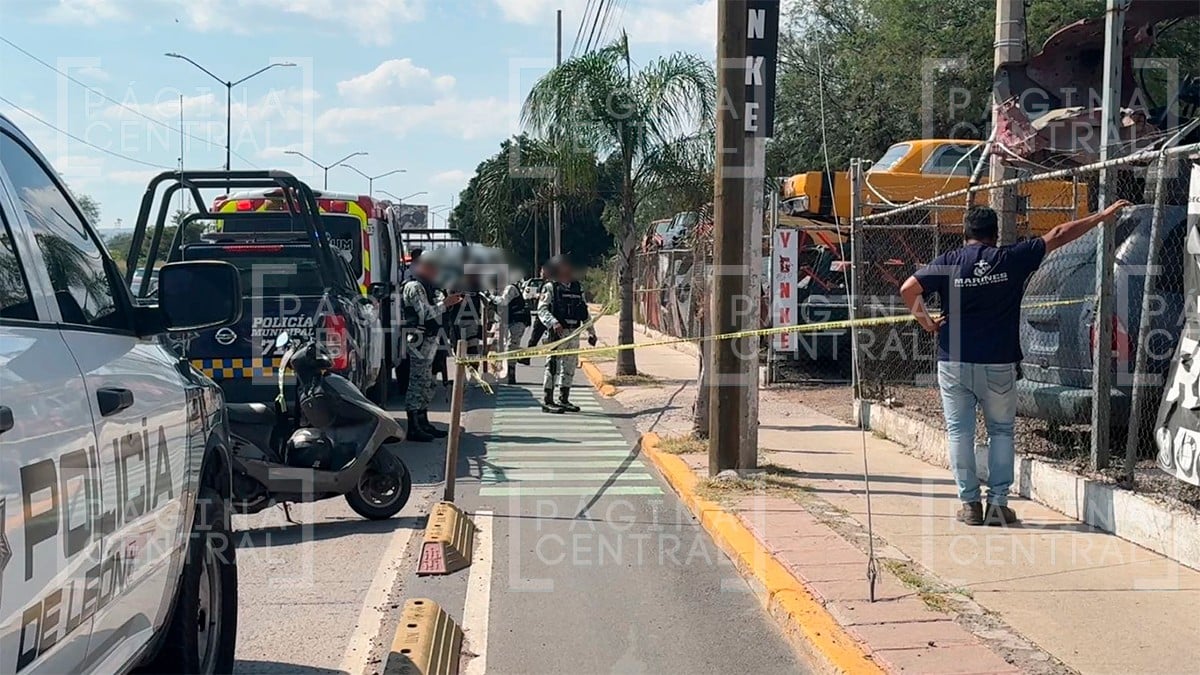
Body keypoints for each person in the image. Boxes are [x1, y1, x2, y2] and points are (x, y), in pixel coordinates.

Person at [900, 201, 1132, 526]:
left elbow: (909, 289)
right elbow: (1059, 233)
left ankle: (969, 504)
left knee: (959, 432)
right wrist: (1101, 217)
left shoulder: (949, 262)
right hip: (998, 361)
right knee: (1001, 430)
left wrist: (926, 323)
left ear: (966, 233)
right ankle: (998, 505)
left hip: (953, 361)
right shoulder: (1010, 258)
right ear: (995, 234)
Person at [401, 253, 464, 441]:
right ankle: (413, 427)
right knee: (417, 383)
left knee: (427, 382)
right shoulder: (414, 286)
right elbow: (425, 313)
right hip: (418, 339)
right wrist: (446, 303)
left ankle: (423, 421)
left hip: (429, 338)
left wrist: (447, 296)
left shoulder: (428, 285)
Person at [536, 255, 598, 413]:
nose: (568, 268)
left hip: (574, 332)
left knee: (569, 367)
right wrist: (553, 322)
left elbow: (584, 312)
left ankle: (563, 399)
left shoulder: (577, 287)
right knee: (553, 366)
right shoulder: (551, 287)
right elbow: (541, 309)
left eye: (569, 265)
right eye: (564, 265)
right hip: (558, 333)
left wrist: (591, 332)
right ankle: (547, 400)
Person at [488, 275, 531, 384]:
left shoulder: (510, 288)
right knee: (498, 347)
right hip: (506, 322)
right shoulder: (496, 292)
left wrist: (490, 296)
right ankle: (499, 373)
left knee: (511, 347)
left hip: (518, 321)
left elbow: (503, 302)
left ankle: (511, 375)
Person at [525, 261, 555, 353]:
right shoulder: (539, 283)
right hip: (541, 313)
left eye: (543, 271)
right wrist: (536, 295)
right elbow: (527, 294)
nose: (541, 273)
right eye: (541, 272)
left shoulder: (552, 284)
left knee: (551, 336)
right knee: (535, 336)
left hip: (551, 312)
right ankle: (526, 356)